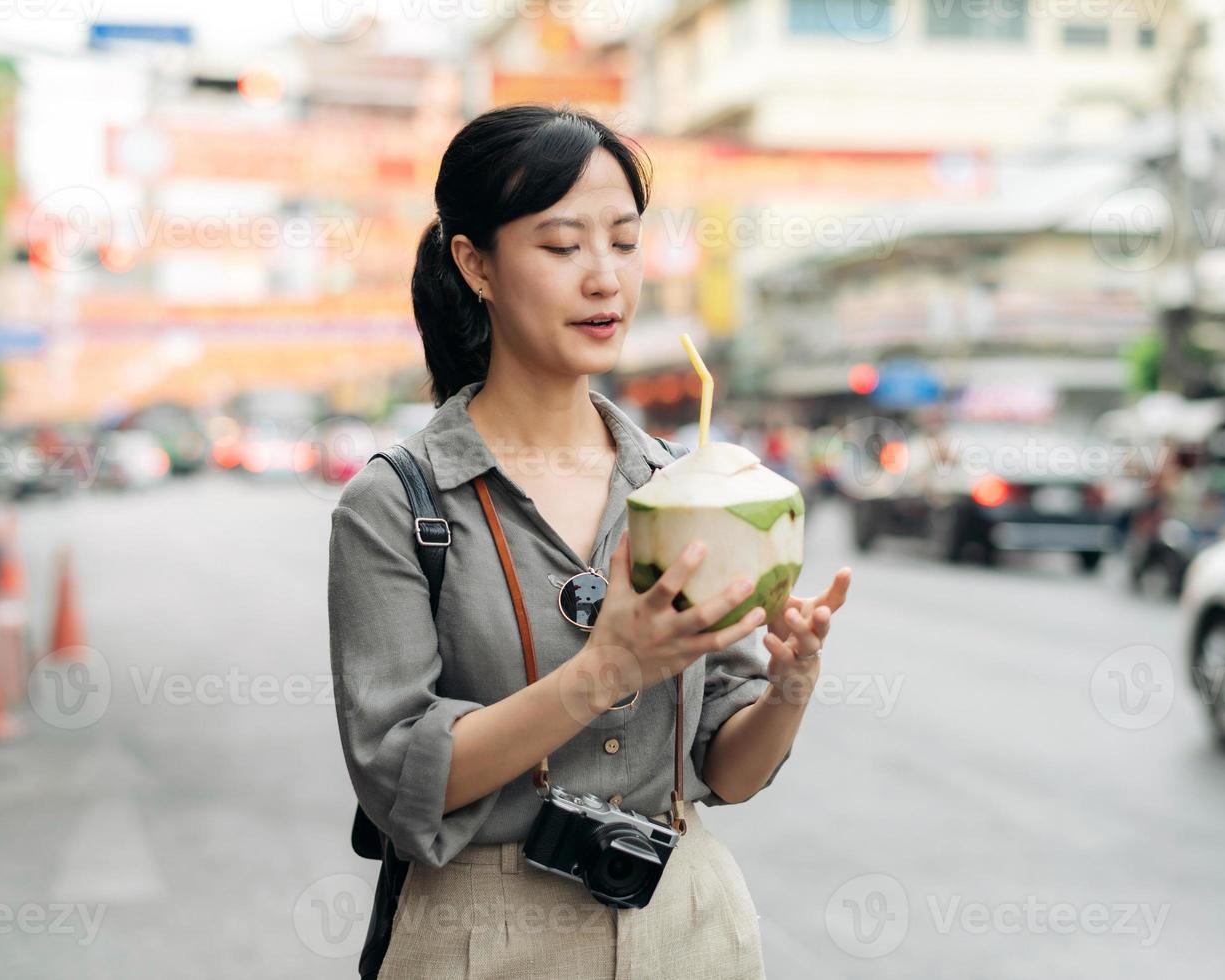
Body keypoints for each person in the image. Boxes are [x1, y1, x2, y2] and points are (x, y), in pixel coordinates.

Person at [327, 105, 853, 979]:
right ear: (476, 264)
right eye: (564, 246)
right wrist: (602, 673)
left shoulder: (683, 490)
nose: (605, 278)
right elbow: (397, 779)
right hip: (481, 936)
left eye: (625, 241)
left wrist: (789, 689)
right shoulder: (395, 505)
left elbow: (727, 768)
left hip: (689, 926)